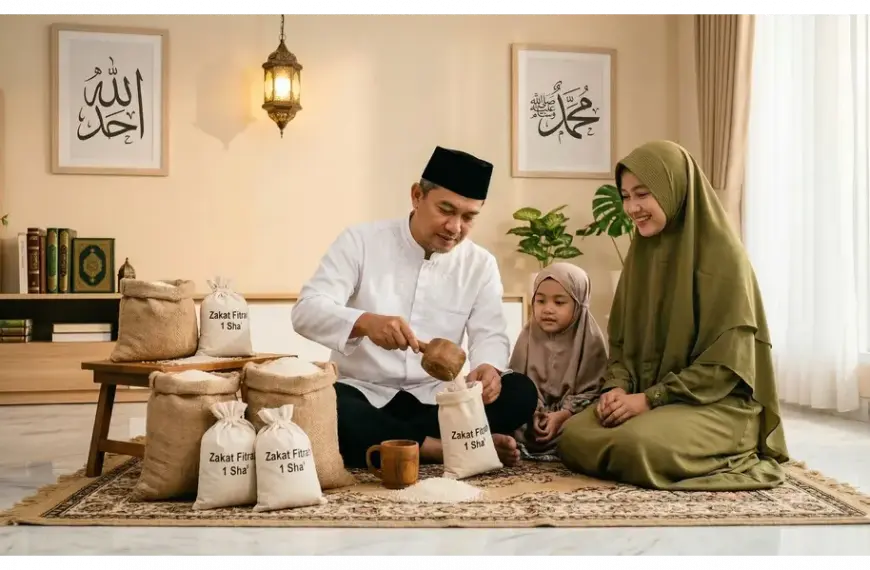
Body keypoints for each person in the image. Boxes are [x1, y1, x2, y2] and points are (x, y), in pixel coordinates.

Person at [557, 140, 790, 491]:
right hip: (650, 399)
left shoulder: (724, 259)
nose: (632, 208)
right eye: (625, 196)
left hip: (715, 406)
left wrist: (649, 399)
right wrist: (619, 388)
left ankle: (730, 447)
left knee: (637, 445)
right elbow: (621, 344)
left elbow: (724, 368)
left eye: (642, 194)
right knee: (572, 434)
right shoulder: (642, 255)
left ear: (673, 188)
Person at [291, 145, 539, 469]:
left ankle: (407, 442)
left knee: (520, 392)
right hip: (365, 394)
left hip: (438, 400)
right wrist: (364, 322)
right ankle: (445, 447)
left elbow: (489, 333)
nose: (455, 227)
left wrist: (488, 369)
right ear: (417, 196)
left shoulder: (480, 264)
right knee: (325, 407)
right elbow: (306, 311)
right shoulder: (361, 242)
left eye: (468, 217)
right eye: (446, 210)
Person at [509, 263, 609, 462]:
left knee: (593, 425)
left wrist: (563, 414)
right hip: (531, 418)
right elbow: (518, 381)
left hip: (572, 418)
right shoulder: (527, 336)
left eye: (559, 302)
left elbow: (594, 391)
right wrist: (535, 411)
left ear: (579, 304)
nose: (548, 309)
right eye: (540, 301)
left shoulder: (591, 341)